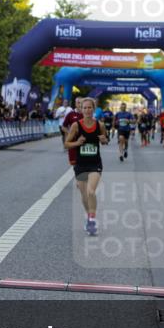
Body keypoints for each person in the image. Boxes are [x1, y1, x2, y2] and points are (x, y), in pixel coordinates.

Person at [64, 97, 108, 236]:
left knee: (90, 191)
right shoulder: (76, 125)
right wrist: (77, 143)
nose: (87, 110)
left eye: (90, 107)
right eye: (85, 108)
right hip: (81, 163)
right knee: (84, 194)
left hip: (95, 163)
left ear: (93, 109)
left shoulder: (99, 125)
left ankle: (92, 220)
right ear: (81, 109)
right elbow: (67, 144)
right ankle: (89, 215)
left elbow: (105, 140)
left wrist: (104, 140)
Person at [62, 98, 84, 166]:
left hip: (84, 142)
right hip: (73, 142)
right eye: (78, 102)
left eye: (81, 103)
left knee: (84, 163)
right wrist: (70, 133)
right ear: (75, 104)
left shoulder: (87, 114)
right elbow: (63, 127)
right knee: (74, 163)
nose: (80, 104)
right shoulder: (70, 114)